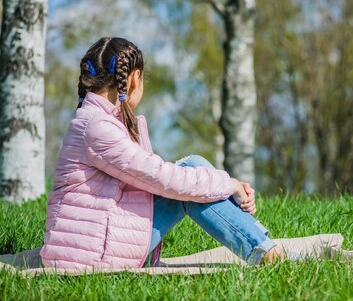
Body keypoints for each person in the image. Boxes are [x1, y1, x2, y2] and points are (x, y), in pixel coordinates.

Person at [40, 37, 287, 270]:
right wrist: (228, 183)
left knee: (193, 168)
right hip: (94, 254)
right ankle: (266, 252)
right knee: (189, 177)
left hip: (95, 244)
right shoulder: (97, 127)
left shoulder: (94, 120)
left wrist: (224, 184)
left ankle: (263, 247)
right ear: (134, 79)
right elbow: (162, 178)